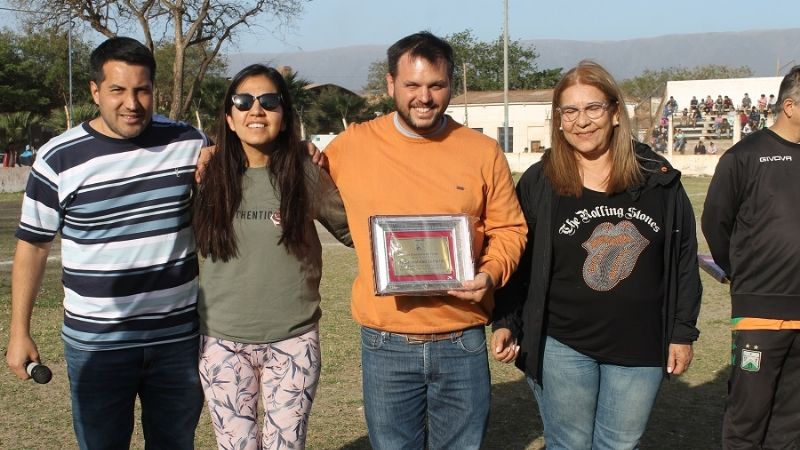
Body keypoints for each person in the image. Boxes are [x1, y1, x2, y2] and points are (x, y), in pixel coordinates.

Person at [323, 31, 527, 449]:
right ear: (390, 85)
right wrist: (215, 153)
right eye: (412, 85)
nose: (425, 97)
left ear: (451, 85)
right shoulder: (352, 146)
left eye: (436, 85)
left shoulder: (482, 151)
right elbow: (286, 168)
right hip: (385, 341)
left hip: (462, 339)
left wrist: (489, 275)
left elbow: (510, 229)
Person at [6, 37, 209, 449]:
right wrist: (18, 331)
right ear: (95, 91)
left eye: (142, 89)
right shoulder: (57, 158)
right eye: (117, 90)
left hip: (177, 341)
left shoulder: (190, 144)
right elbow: (33, 248)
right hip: (97, 345)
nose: (131, 103)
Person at [491, 61, 702, 450]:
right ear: (558, 120)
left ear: (615, 113)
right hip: (562, 343)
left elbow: (684, 260)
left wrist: (681, 332)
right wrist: (506, 320)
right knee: (568, 443)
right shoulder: (542, 180)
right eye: (569, 111)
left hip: (641, 344)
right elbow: (518, 258)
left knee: (619, 444)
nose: (581, 121)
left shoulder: (658, 179)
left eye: (593, 109)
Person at [193, 64, 351, 449]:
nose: (256, 111)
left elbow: (356, 231)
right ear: (229, 118)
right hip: (222, 342)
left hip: (293, 341)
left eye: (269, 101)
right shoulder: (205, 176)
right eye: (244, 102)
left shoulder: (306, 173)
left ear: (285, 114)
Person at [702, 65, 800, 449]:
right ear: (790, 106)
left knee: (792, 420)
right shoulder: (746, 156)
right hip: (761, 308)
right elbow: (715, 221)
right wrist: (740, 272)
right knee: (749, 416)